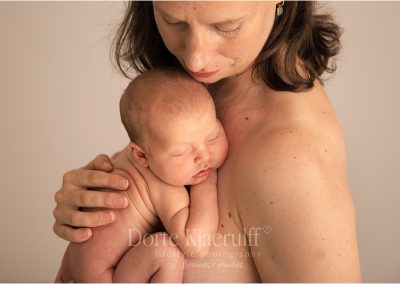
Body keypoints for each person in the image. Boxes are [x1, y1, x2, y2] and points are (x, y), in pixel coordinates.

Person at [53, 1, 362, 281]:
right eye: (173, 22)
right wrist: (93, 207)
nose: (195, 58)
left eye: (227, 27)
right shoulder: (198, 87)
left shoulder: (292, 157)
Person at [57, 67, 229, 282]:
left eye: (212, 137)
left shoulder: (122, 159)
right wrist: (208, 183)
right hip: (106, 276)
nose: (204, 157)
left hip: (74, 264)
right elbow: (196, 245)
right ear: (141, 156)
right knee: (166, 251)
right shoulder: (165, 185)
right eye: (182, 152)